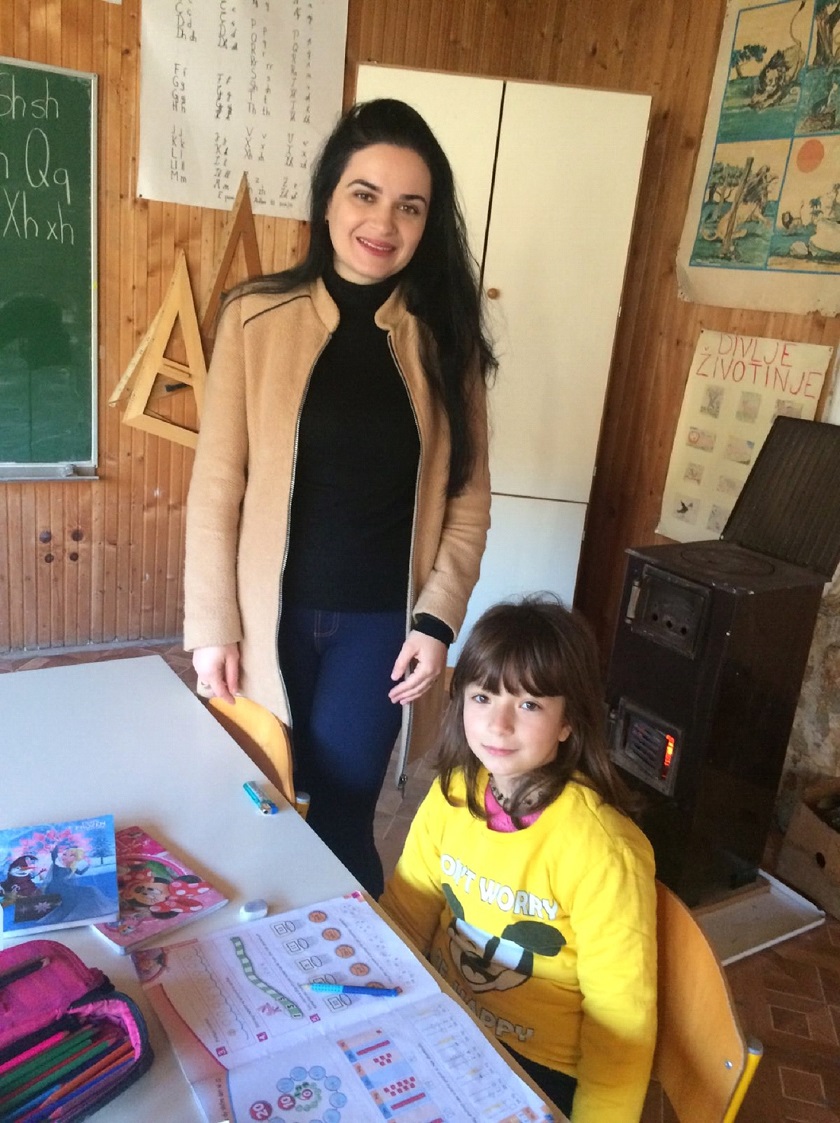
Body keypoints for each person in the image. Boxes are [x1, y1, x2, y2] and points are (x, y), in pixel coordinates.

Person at [184, 99, 495, 898]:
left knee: (345, 816)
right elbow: (216, 487)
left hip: (380, 634)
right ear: (328, 198)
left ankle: (349, 957)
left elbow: (467, 503)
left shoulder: (446, 339)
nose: (383, 222)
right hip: (267, 620)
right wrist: (212, 625)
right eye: (365, 193)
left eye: (410, 206)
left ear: (428, 223)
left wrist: (437, 619)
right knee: (258, 806)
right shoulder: (253, 316)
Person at [380, 596, 657, 1123]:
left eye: (529, 705)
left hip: (536, 1066)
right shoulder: (452, 794)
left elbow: (622, 1025)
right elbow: (406, 912)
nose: (498, 725)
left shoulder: (603, 851)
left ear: (568, 721)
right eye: (483, 697)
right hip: (444, 1018)